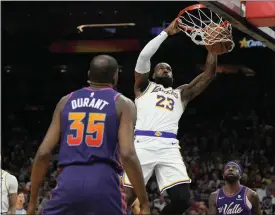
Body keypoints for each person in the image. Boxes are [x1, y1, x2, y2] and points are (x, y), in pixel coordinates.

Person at [27, 55, 150, 215]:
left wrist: (32, 203)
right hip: (105, 180)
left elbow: (43, 153)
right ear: (115, 76)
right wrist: (144, 201)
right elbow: (127, 153)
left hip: (68, 180)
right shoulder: (123, 103)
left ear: (88, 75)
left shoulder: (65, 101)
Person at [123, 18, 219, 215]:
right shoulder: (143, 87)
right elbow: (143, 56)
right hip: (143, 142)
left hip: (169, 147)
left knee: (183, 200)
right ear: (154, 73)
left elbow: (209, 74)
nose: (165, 69)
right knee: (126, 198)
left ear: (173, 77)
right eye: (161, 67)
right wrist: (166, 32)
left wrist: (213, 49)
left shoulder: (181, 93)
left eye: (169, 69)